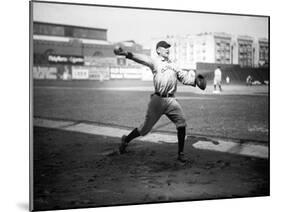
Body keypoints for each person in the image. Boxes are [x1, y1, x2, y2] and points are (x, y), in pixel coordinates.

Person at [113, 41, 206, 163]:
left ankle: (181, 153)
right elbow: (141, 58)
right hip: (158, 100)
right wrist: (126, 53)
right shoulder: (155, 62)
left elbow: (184, 78)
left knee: (181, 123)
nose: (167, 49)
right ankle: (126, 140)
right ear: (158, 51)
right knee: (144, 129)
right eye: (165, 47)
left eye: (168, 47)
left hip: (171, 100)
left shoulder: (174, 65)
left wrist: (195, 81)